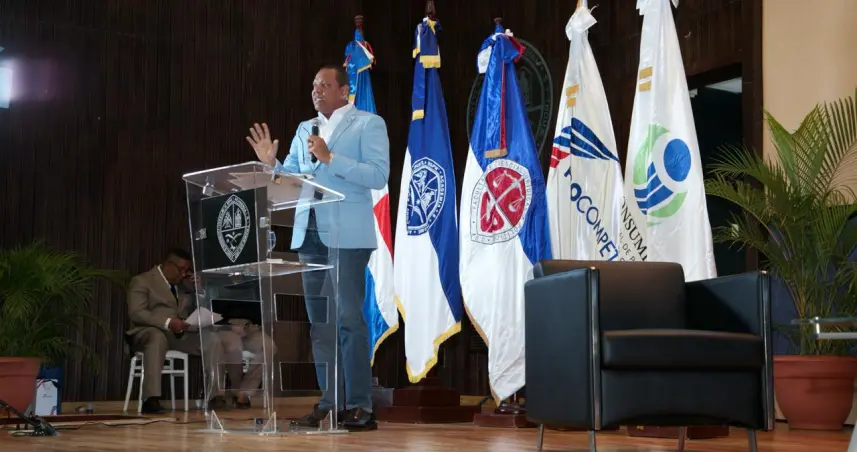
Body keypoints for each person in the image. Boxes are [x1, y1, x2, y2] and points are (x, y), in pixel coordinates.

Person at [245, 64, 389, 431]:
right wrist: (272, 164)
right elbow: (293, 179)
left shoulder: (368, 124)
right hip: (308, 233)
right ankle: (330, 403)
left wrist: (331, 158)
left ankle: (360, 405)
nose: (316, 90)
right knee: (320, 326)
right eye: (313, 85)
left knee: (348, 320)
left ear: (344, 91)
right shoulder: (304, 129)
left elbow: (378, 175)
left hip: (347, 235)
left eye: (324, 85)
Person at [125, 248, 229, 414]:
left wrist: (199, 291)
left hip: (179, 334)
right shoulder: (142, 281)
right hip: (148, 332)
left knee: (211, 340)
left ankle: (215, 395)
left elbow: (199, 309)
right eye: (181, 270)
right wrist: (167, 323)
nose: (184, 274)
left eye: (187, 271)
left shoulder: (184, 286)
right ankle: (150, 399)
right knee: (157, 338)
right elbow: (137, 313)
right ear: (168, 265)